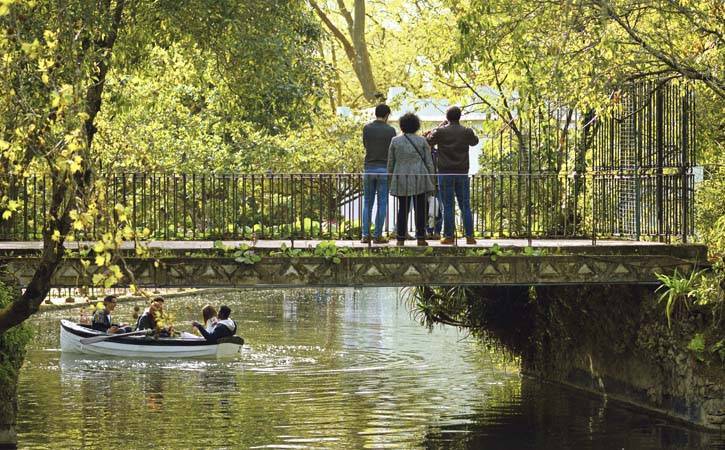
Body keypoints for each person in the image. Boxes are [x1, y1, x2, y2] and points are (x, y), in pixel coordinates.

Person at [426, 106, 479, 245]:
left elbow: (429, 141)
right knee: (465, 205)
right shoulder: (466, 131)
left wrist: (438, 127)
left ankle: (448, 236)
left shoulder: (441, 131)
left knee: (448, 205)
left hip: (445, 172)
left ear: (447, 117)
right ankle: (470, 236)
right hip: (462, 172)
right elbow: (475, 141)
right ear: (459, 117)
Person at [387, 112, 435, 246]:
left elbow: (390, 162)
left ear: (401, 126)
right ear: (416, 125)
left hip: (401, 178)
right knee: (420, 208)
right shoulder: (422, 141)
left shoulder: (395, 141)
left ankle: (400, 238)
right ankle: (420, 237)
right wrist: (432, 180)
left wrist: (390, 180)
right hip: (419, 177)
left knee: (403, 208)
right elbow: (429, 162)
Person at [361, 104, 396, 244]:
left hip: (369, 168)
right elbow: (392, 150)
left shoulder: (367, 128)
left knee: (367, 203)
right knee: (382, 203)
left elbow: (365, 144)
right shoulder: (391, 131)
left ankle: (365, 235)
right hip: (384, 169)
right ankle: (377, 236)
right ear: (387, 115)